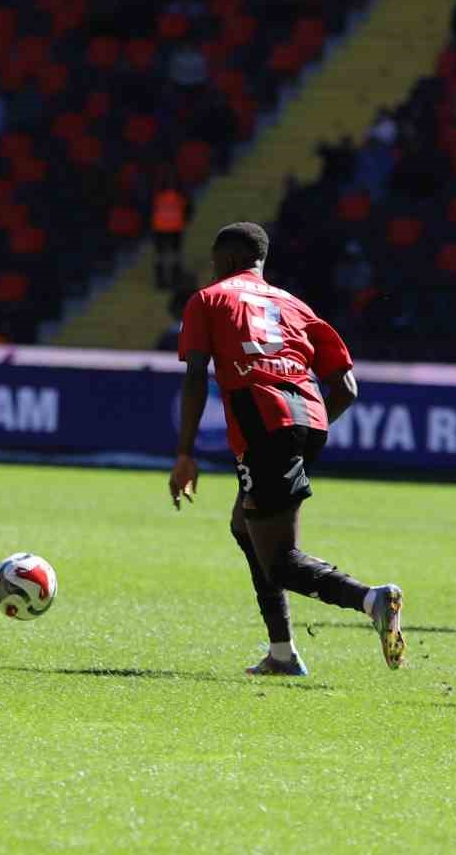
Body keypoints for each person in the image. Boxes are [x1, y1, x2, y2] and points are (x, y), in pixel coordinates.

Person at [169, 222, 404, 676]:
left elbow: (196, 374)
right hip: (309, 419)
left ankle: (371, 600)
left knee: (279, 562)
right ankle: (282, 654)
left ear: (228, 259)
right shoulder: (293, 303)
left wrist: (185, 453)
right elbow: (347, 388)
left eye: (215, 262)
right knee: (245, 526)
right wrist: (300, 429)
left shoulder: (208, 299)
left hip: (264, 423)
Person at [150, 175, 191, 290]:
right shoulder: (180, 197)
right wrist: (184, 220)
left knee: (160, 256)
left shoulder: (158, 197)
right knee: (175, 255)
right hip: (175, 227)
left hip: (159, 227)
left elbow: (150, 210)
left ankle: (160, 281)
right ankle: (175, 279)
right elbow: (188, 210)